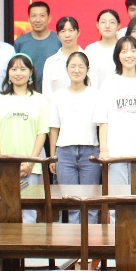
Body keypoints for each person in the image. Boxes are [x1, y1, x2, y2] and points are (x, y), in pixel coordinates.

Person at [0, 54, 50, 223]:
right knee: (7, 211)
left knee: (29, 213)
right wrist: (1, 161)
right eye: (13, 69)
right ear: (8, 73)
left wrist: (30, 163)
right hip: (5, 167)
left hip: (31, 167)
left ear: (31, 72)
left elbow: (42, 133)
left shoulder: (40, 100)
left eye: (22, 69)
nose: (18, 73)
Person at [94, 36, 136, 186]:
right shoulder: (110, 82)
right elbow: (103, 120)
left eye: (133, 50)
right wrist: (104, 150)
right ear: (117, 56)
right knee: (117, 197)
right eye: (124, 51)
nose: (129, 55)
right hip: (115, 154)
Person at [48, 51, 100, 224]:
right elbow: (54, 128)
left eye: (81, 66)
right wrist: (53, 156)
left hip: (90, 153)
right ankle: (75, 240)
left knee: (90, 203)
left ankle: (91, 239)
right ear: (67, 69)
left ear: (87, 69)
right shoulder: (58, 96)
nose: (77, 70)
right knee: (71, 204)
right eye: (73, 66)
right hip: (64, 154)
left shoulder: (96, 95)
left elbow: (102, 125)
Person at [14, 1, 60, 92]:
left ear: (49, 18)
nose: (37, 20)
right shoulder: (20, 42)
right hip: (27, 94)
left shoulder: (59, 40)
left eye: (42, 16)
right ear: (28, 19)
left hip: (54, 93)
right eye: (34, 16)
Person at [41, 16, 83, 96]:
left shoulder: (89, 59)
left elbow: (93, 88)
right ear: (57, 35)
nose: (67, 35)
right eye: (62, 31)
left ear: (78, 32)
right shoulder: (51, 62)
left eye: (71, 30)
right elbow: (47, 93)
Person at [84, 9, 120, 90]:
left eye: (112, 22)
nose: (107, 26)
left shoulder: (123, 49)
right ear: (97, 25)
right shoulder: (90, 50)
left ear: (118, 25)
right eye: (103, 22)